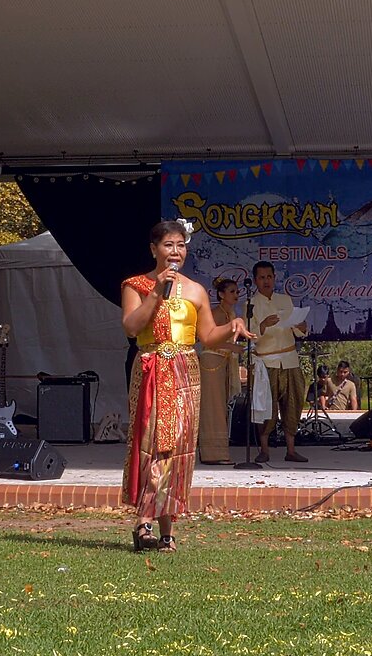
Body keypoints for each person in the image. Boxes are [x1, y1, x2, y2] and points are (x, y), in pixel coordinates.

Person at [121, 220, 253, 552]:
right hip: (151, 367)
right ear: (154, 249)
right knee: (151, 441)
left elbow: (207, 336)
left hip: (184, 370)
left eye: (180, 245)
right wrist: (155, 292)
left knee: (177, 447)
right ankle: (143, 523)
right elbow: (132, 328)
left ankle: (166, 529)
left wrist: (233, 325)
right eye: (168, 245)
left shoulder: (195, 290)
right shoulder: (135, 285)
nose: (175, 251)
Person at [248, 261, 310, 462]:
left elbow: (298, 332)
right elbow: (249, 334)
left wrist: (301, 326)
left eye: (269, 277)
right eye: (261, 277)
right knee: (266, 405)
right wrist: (263, 325)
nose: (266, 281)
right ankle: (264, 449)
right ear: (256, 280)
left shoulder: (285, 299)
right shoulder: (250, 304)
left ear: (274, 278)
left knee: (293, 403)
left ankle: (290, 450)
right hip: (267, 361)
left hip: (290, 359)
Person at [197, 277, 242, 464]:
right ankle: (213, 454)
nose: (236, 295)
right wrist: (231, 348)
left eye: (237, 291)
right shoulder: (216, 313)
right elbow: (206, 338)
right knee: (213, 406)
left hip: (223, 362)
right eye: (232, 291)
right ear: (221, 295)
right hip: (212, 361)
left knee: (221, 406)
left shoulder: (230, 313)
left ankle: (217, 452)